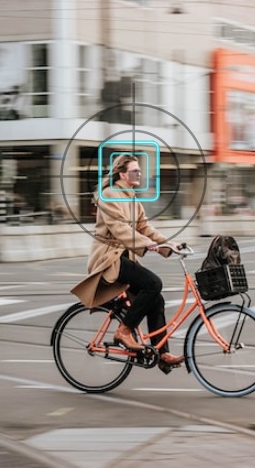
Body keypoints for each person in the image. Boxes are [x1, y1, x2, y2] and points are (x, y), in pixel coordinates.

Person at [71, 154, 184, 371]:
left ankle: (162, 353)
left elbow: (144, 227)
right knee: (154, 283)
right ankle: (124, 331)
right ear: (122, 174)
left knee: (156, 300)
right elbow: (120, 229)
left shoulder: (132, 198)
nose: (139, 173)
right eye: (135, 170)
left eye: (139, 170)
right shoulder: (109, 195)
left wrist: (169, 244)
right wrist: (147, 244)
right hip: (108, 258)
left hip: (123, 257)